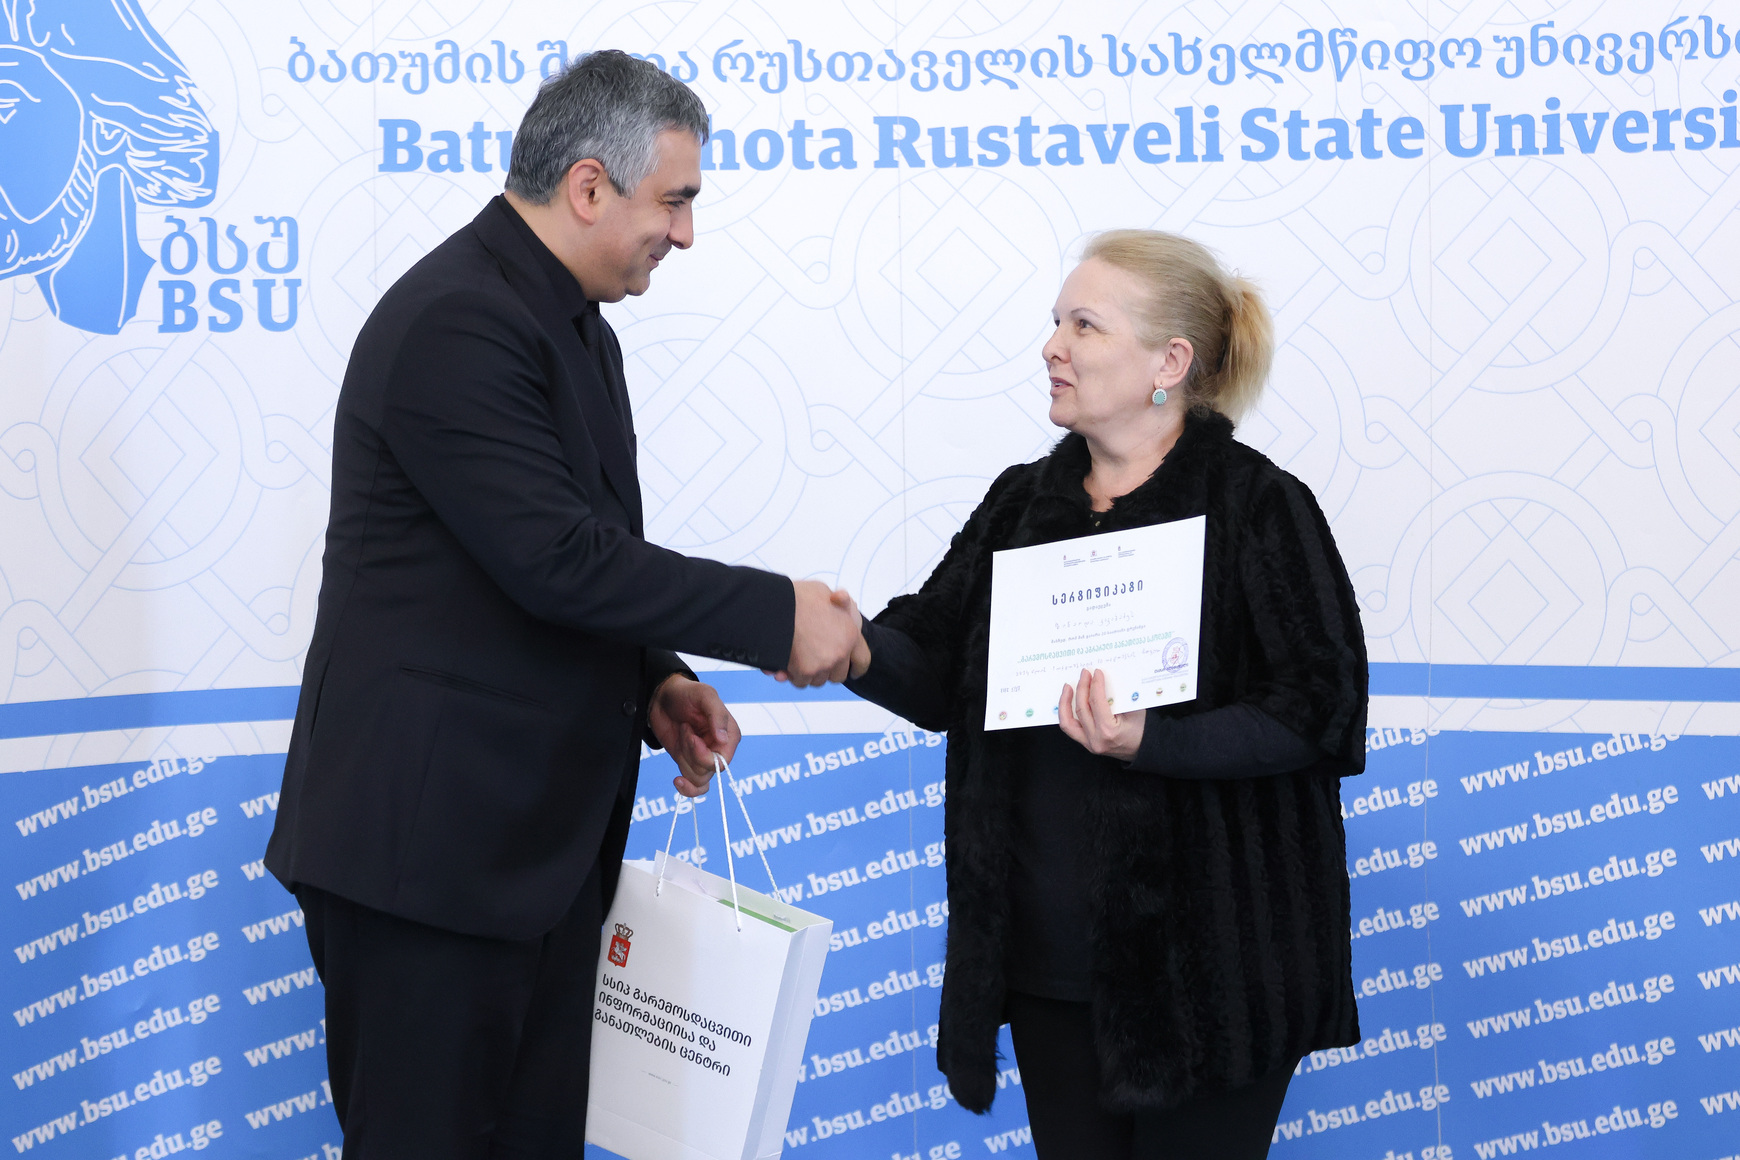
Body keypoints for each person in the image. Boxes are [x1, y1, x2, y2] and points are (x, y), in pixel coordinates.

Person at [264, 51, 860, 1158]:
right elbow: (556, 558)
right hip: (429, 865)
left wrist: (655, 676)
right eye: (674, 201)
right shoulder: (456, 319)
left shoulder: (577, 327)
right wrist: (779, 616)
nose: (685, 233)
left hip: (532, 865)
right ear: (589, 186)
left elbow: (570, 555)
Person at [843, 231, 1368, 1159]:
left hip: (1215, 971)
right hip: (1050, 962)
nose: (1053, 346)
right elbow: (934, 665)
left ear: (1171, 363)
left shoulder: (1258, 504)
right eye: (1057, 322)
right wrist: (849, 647)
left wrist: (1151, 742)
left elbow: (1320, 705)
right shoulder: (1020, 504)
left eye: (1084, 325)